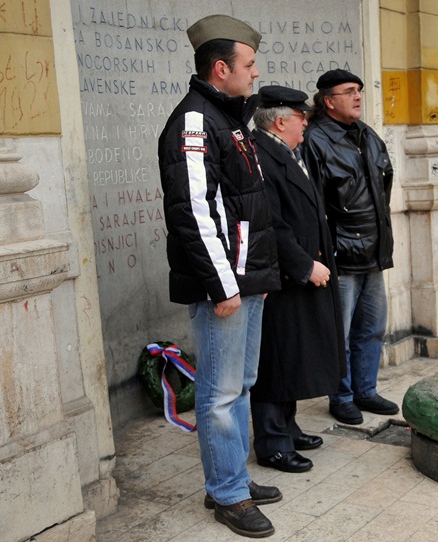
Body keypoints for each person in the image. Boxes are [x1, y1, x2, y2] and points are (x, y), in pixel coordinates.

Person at [158, 15, 280, 539]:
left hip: (246, 277)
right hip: (226, 284)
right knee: (220, 393)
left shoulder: (228, 117)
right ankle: (227, 495)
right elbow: (193, 210)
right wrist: (222, 285)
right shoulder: (193, 120)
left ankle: (231, 476)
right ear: (222, 67)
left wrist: (256, 275)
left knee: (241, 385)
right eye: (249, 65)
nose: (256, 75)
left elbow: (244, 206)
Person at [250, 86, 347, 473]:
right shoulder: (261, 155)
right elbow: (271, 224)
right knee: (276, 358)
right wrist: (305, 265)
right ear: (280, 121)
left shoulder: (287, 150)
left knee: (293, 356)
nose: (306, 122)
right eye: (300, 116)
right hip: (282, 276)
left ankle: (287, 428)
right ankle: (272, 443)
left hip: (302, 270)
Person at [302, 69, 399, 425]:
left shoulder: (368, 135)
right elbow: (311, 203)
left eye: (359, 90)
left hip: (374, 251)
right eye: (348, 91)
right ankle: (341, 396)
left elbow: (383, 190)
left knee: (371, 327)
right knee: (338, 333)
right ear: (328, 101)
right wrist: (321, 252)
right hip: (340, 254)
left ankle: (366, 390)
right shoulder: (314, 139)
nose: (358, 96)